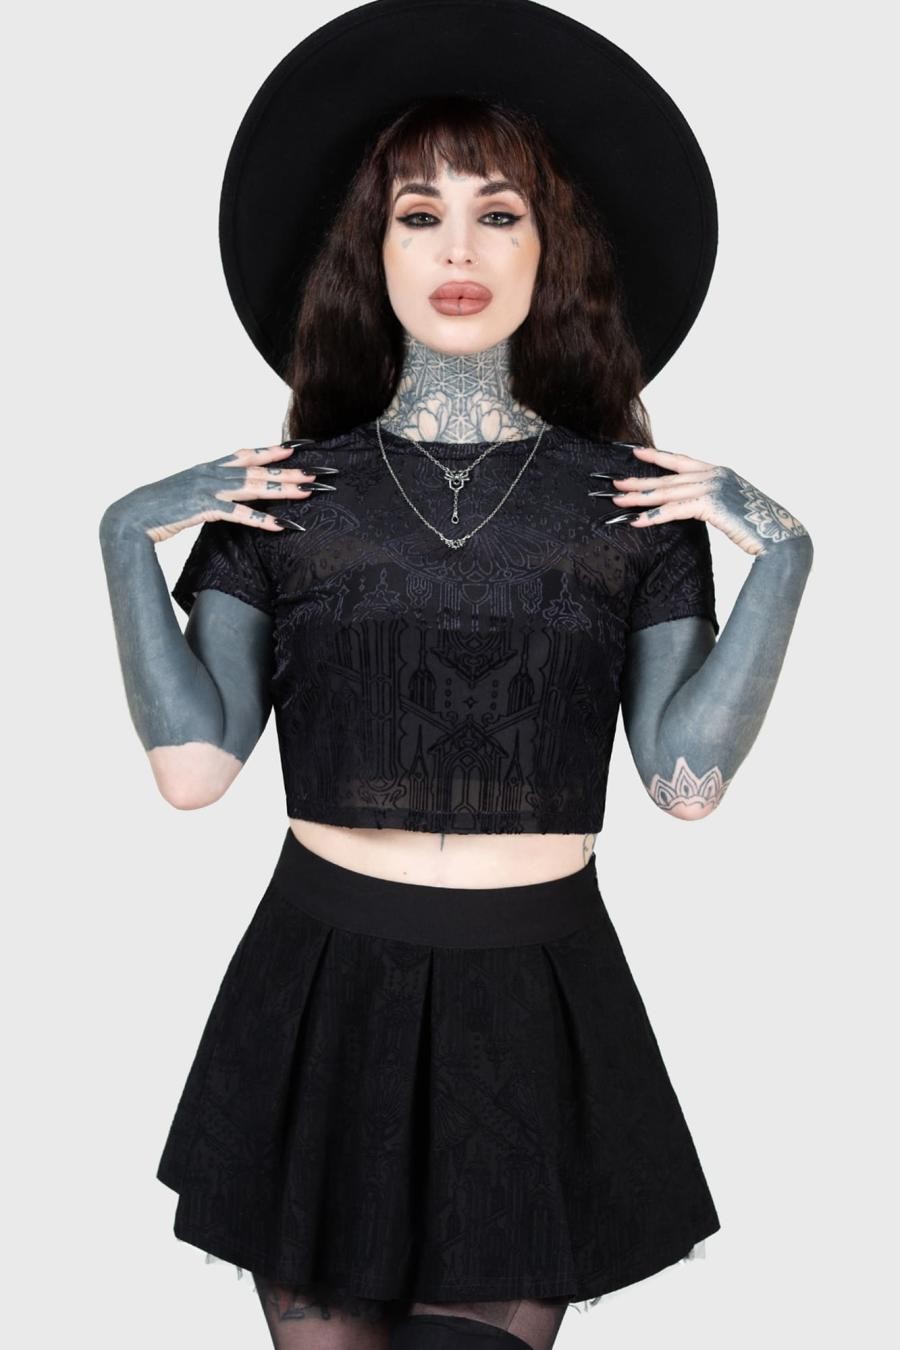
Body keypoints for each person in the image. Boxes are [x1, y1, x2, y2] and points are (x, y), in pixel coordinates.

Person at [98, 4, 814, 1348]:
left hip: (529, 1000)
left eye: (500, 214)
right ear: (372, 251)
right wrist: (124, 535)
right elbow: (194, 772)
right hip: (323, 988)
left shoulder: (633, 507)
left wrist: (783, 556)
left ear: (554, 249)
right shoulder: (287, 496)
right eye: (420, 215)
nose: (460, 250)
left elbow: (684, 785)